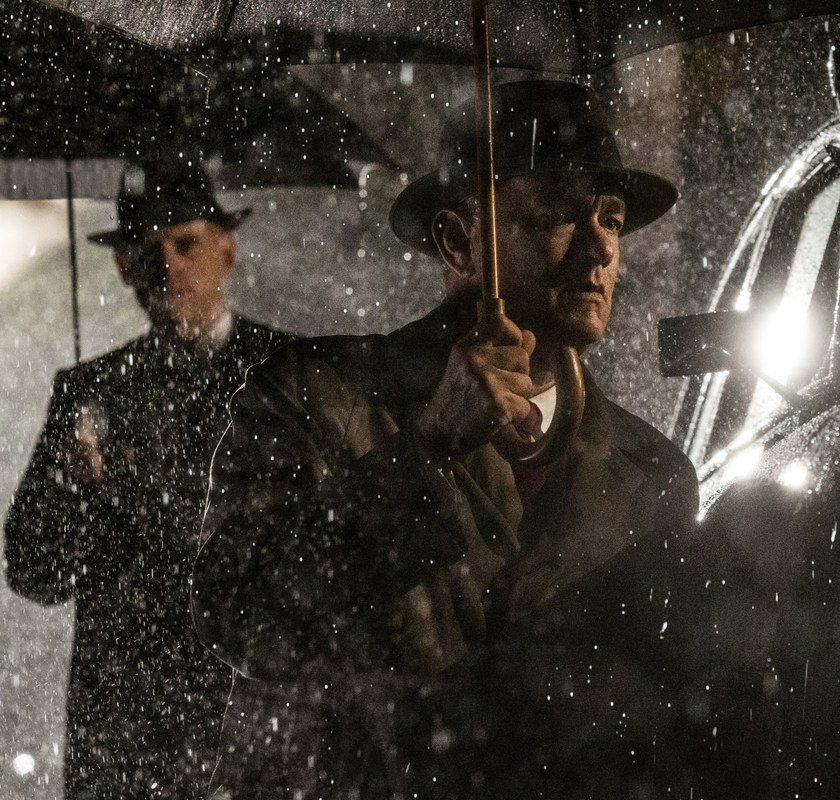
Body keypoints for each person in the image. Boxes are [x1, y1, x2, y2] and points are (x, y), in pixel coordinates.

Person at [190, 80, 703, 799]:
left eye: (610, 220)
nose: (598, 249)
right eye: (556, 214)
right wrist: (424, 450)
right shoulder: (317, 396)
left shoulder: (655, 474)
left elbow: (669, 727)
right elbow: (239, 614)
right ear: (458, 240)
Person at [4, 158, 289, 800]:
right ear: (122, 266)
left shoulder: (290, 372)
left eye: (185, 244)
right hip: (123, 736)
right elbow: (34, 572)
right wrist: (70, 484)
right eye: (145, 251)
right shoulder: (88, 394)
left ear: (227, 250)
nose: (167, 268)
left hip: (254, 719)